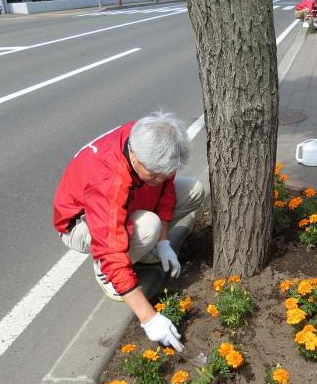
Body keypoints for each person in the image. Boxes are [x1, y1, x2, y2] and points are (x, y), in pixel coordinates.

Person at [53, 111, 205, 350]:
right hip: (81, 225)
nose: (160, 178)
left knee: (194, 190)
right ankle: (104, 272)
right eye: (153, 174)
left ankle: (144, 249)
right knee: (147, 226)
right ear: (133, 154)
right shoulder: (108, 180)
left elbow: (165, 193)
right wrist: (149, 318)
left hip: (130, 199)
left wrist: (164, 242)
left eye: (163, 174)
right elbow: (111, 249)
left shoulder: (159, 145)